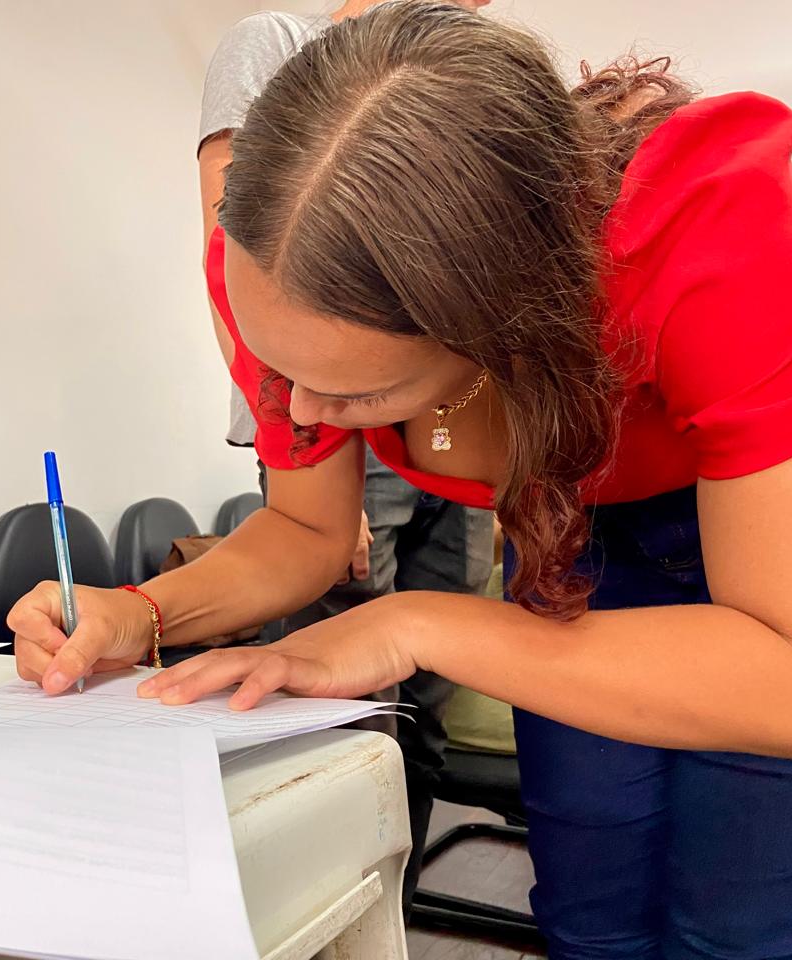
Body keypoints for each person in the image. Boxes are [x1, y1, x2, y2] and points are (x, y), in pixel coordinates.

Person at [11, 4, 792, 957]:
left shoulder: (704, 226)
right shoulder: (285, 266)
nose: (302, 413)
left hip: (760, 541)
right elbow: (308, 531)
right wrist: (141, 612)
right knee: (586, 901)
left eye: (359, 392)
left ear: (500, 320)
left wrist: (414, 622)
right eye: (283, 374)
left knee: (738, 918)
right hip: (567, 544)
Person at [195, 0, 494, 912]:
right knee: (339, 699)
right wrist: (309, 435)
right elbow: (245, 252)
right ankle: (334, 892)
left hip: (448, 396)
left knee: (428, 690)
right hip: (358, 439)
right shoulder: (271, 44)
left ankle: (387, 892)